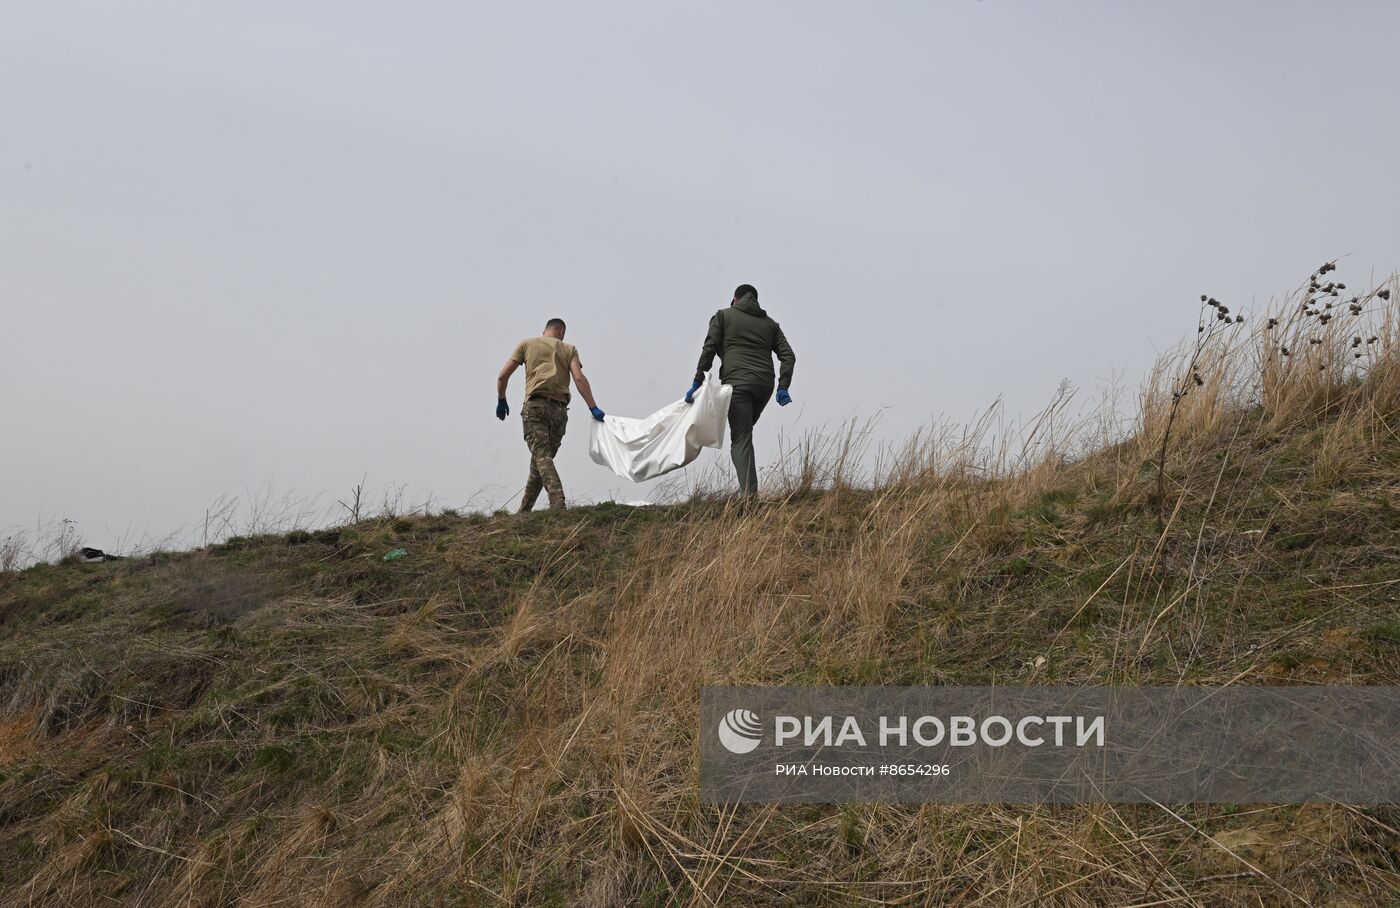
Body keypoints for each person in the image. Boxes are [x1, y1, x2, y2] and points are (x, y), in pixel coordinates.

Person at [685, 284, 796, 496]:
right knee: (745, 432)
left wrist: (697, 381)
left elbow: (709, 348)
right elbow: (788, 355)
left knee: (741, 437)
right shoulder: (771, 325)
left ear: (735, 299)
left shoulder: (723, 316)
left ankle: (749, 498)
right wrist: (783, 386)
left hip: (738, 385)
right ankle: (749, 490)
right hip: (764, 386)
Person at [496, 318, 605, 512]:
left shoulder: (527, 344)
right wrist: (593, 407)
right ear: (561, 331)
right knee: (540, 461)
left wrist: (501, 399)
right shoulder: (568, 348)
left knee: (542, 458)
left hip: (535, 408)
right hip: (559, 412)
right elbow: (578, 377)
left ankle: (557, 501)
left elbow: (503, 376)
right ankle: (524, 512)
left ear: (545, 330)